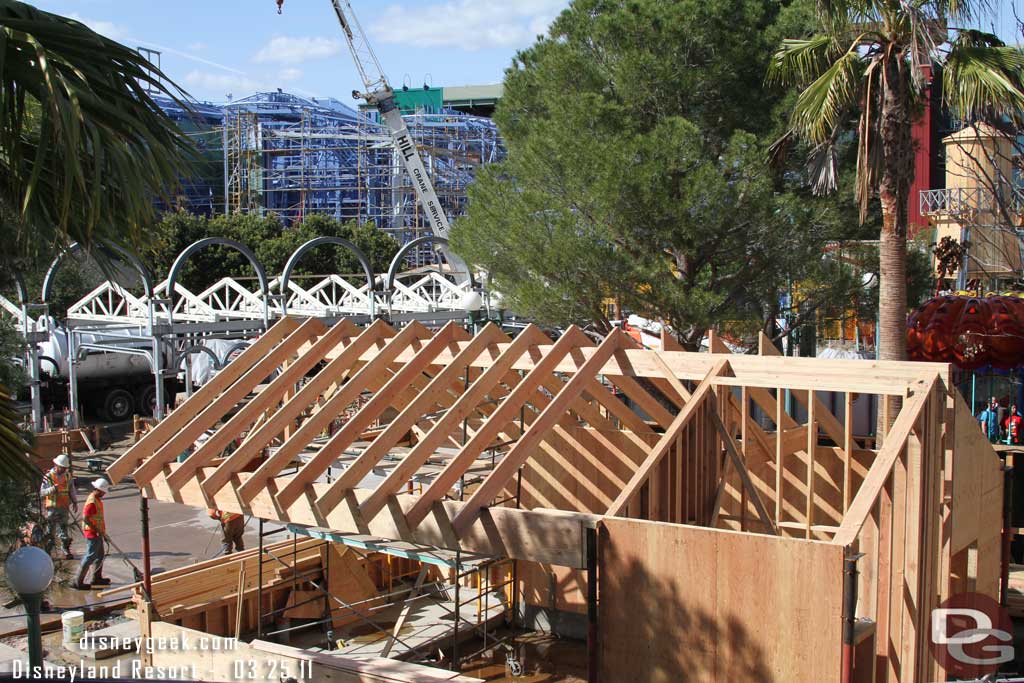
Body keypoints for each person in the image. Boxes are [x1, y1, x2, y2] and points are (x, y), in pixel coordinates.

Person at [73, 478, 111, 590]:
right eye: (103, 492)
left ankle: (96, 578)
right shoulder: (92, 502)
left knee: (100, 555)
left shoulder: (97, 499)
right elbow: (85, 518)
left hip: (98, 532)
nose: (104, 494)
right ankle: (77, 581)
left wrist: (102, 532)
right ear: (98, 490)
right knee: (90, 556)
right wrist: (97, 530)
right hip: (92, 533)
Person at [39, 454, 77, 559]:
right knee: (50, 530)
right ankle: (47, 552)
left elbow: (71, 489)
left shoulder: (68, 476)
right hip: (52, 508)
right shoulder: (48, 477)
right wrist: (52, 489)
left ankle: (65, 550)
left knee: (64, 529)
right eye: (62, 467)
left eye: (65, 468)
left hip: (64, 507)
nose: (64, 469)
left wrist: (74, 501)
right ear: (56, 465)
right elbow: (41, 492)